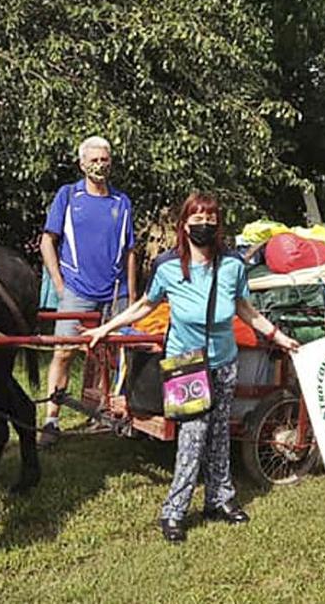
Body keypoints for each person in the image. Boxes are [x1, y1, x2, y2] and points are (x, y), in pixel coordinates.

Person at [87, 192, 299, 543]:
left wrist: (277, 336)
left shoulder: (232, 265)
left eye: (210, 220)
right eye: (197, 220)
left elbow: (245, 310)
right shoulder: (168, 267)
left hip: (224, 362)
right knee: (192, 436)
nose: (204, 226)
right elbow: (144, 305)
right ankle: (174, 511)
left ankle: (221, 499)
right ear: (183, 226)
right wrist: (106, 328)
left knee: (218, 434)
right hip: (186, 364)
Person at [39, 136, 137, 445]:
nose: (99, 165)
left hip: (116, 291)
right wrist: (59, 284)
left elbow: (131, 251)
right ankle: (51, 421)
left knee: (124, 353)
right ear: (82, 163)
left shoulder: (122, 202)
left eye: (104, 160)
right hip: (77, 290)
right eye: (94, 160)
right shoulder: (68, 196)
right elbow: (47, 242)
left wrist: (133, 296)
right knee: (64, 353)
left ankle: (118, 414)